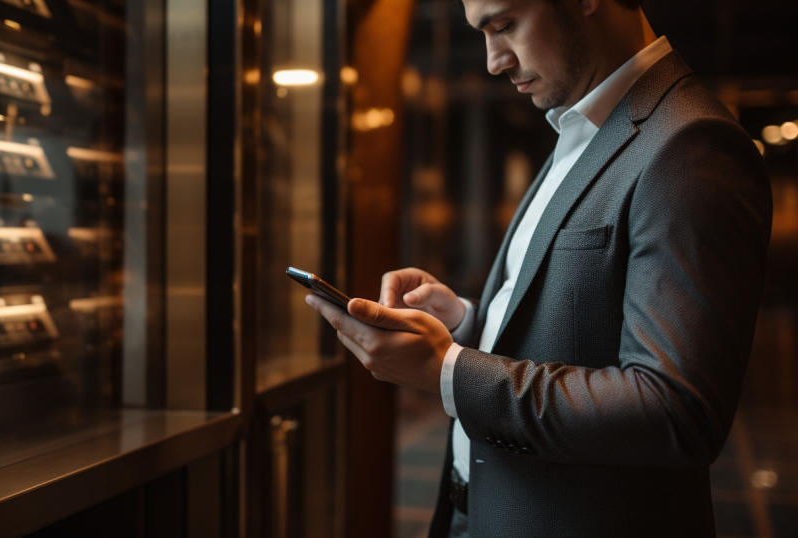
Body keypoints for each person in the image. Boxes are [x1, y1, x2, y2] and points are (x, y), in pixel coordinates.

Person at [305, 0, 773, 536]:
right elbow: (574, 329)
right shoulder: (581, 128)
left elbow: (674, 412)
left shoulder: (692, 146)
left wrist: (449, 371)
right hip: (477, 510)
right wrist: (462, 321)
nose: (493, 61)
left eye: (503, 25)